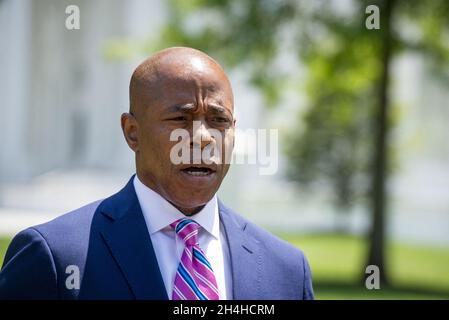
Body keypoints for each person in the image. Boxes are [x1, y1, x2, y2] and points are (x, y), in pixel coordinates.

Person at [0, 47, 314, 300]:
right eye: (180, 117)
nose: (203, 137)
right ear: (132, 132)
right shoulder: (55, 258)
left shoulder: (285, 270)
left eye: (218, 120)